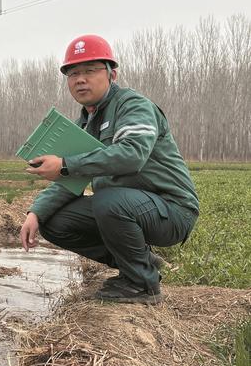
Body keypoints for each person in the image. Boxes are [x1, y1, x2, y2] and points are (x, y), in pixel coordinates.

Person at [20, 34, 199, 305]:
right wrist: (36, 212)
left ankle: (142, 285)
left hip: (171, 210)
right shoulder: (85, 123)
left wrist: (66, 164)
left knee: (109, 200)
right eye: (73, 73)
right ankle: (139, 262)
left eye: (90, 71)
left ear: (112, 74)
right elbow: (73, 178)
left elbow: (132, 154)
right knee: (54, 221)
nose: (81, 79)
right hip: (126, 207)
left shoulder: (133, 106)